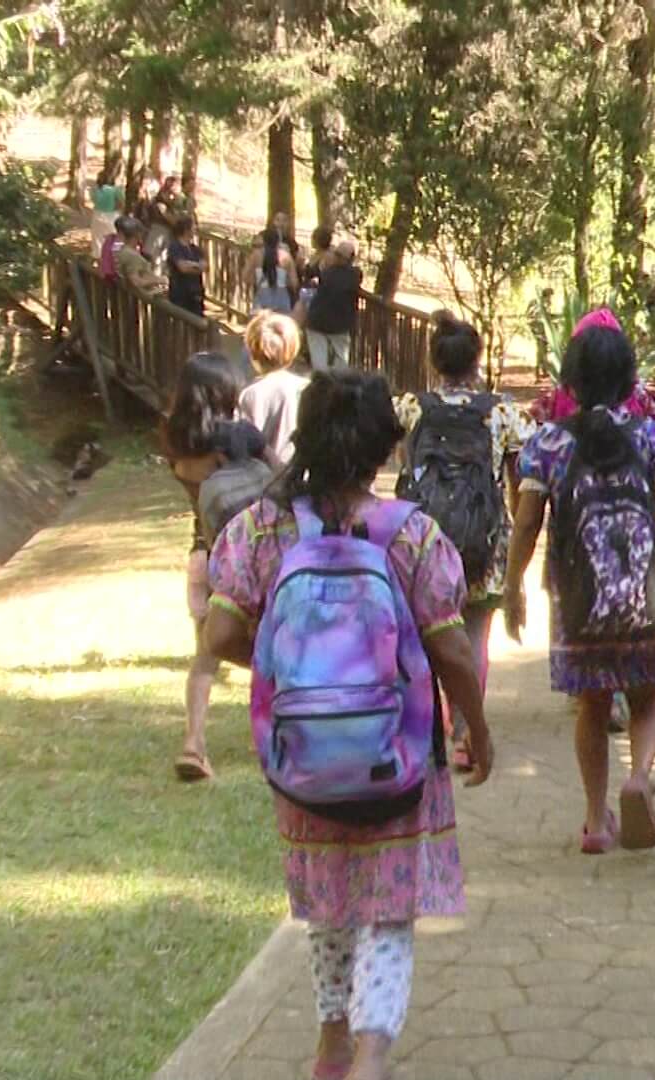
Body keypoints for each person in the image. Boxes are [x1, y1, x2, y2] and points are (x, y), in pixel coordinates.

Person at [203, 370, 492, 1080]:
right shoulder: (412, 535)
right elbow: (452, 647)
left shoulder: (261, 530)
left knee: (328, 906)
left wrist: (289, 675)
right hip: (396, 758)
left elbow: (217, 634)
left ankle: (332, 1044)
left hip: (300, 761)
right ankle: (369, 1058)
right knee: (387, 914)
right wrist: (476, 727)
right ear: (381, 451)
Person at [503, 318, 655, 854]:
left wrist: (512, 590)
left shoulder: (547, 445)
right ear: (629, 379)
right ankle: (640, 776)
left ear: (570, 380)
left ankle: (596, 822)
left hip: (578, 599)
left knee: (591, 707)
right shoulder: (653, 440)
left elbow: (527, 525)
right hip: (640, 595)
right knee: (646, 695)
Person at [396, 314, 535, 773]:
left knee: (425, 631)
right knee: (475, 635)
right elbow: (520, 478)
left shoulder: (412, 406)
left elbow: (403, 467)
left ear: (434, 360)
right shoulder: (501, 411)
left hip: (423, 541)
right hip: (484, 540)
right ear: (476, 361)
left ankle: (430, 726)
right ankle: (464, 732)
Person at [161, 352, 267, 782]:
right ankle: (271, 734)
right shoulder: (233, 440)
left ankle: (194, 743)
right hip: (245, 555)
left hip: (200, 556)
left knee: (204, 657)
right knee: (269, 645)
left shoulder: (173, 438)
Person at [237, 312, 309, 473]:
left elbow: (244, 444)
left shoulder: (251, 394)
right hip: (299, 476)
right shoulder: (306, 388)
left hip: (261, 480)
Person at [306, 238, 363, 370]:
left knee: (319, 365)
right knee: (341, 364)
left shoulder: (326, 272)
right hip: (340, 325)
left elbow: (310, 273)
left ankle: (321, 385)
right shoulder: (355, 274)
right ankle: (337, 387)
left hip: (317, 321)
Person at [245, 227, 299, 316]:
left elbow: (245, 277)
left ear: (264, 240)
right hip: (282, 297)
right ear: (278, 241)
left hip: (262, 295)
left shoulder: (256, 255)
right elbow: (294, 282)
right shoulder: (286, 256)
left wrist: (258, 280)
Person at [165, 214, 207, 317]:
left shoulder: (195, 249)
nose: (195, 229)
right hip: (180, 292)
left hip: (196, 291)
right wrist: (196, 266)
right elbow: (182, 268)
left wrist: (191, 265)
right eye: (193, 226)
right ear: (186, 229)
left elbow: (204, 266)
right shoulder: (174, 247)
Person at [113, 218, 164, 298]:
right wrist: (159, 280)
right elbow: (135, 281)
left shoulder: (122, 250)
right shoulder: (131, 255)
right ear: (137, 235)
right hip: (136, 298)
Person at [90, 169, 124, 256]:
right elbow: (121, 202)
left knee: (98, 239)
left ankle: (99, 259)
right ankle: (115, 256)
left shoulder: (94, 190)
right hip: (112, 216)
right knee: (116, 239)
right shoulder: (115, 190)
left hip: (97, 215)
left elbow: (93, 200)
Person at [526, 287, 555, 375]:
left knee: (542, 350)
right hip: (540, 330)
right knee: (541, 350)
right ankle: (539, 371)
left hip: (539, 329)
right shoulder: (542, 303)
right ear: (547, 295)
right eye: (550, 296)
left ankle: (542, 370)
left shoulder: (537, 302)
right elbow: (545, 317)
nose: (551, 298)